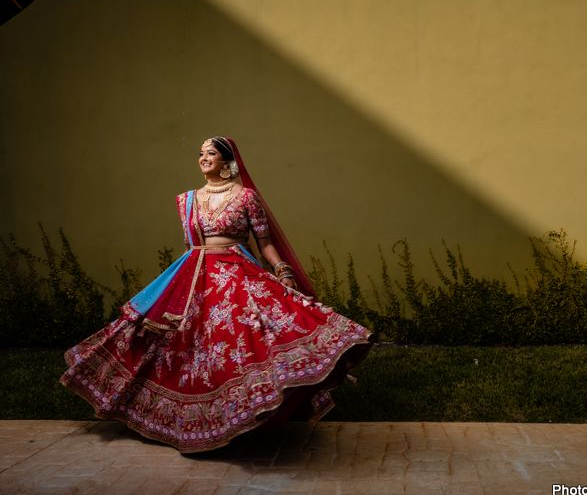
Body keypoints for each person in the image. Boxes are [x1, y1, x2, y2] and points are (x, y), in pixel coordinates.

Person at [61, 136, 374, 453]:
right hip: (195, 274)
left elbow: (265, 245)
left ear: (228, 161)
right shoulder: (187, 200)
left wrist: (283, 271)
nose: (203, 157)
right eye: (200, 153)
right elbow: (189, 247)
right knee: (186, 349)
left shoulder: (247, 198)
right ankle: (195, 423)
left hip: (237, 275)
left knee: (239, 348)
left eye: (210, 153)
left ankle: (243, 419)